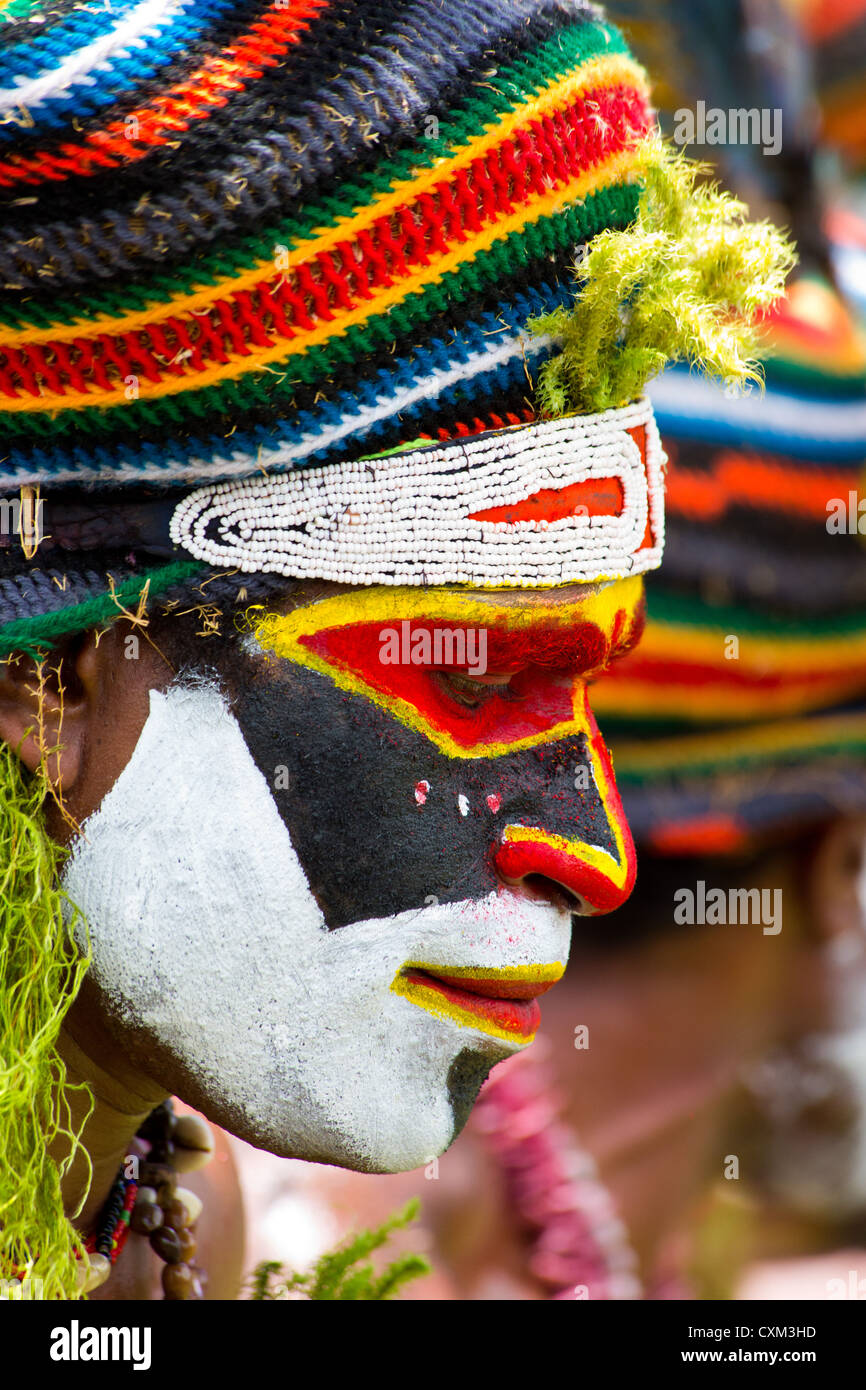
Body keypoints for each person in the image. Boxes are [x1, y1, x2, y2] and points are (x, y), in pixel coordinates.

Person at [0, 0, 787, 1300]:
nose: (590, 855)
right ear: (48, 684)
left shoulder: (179, 1211)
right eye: (471, 679)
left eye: (580, 690)